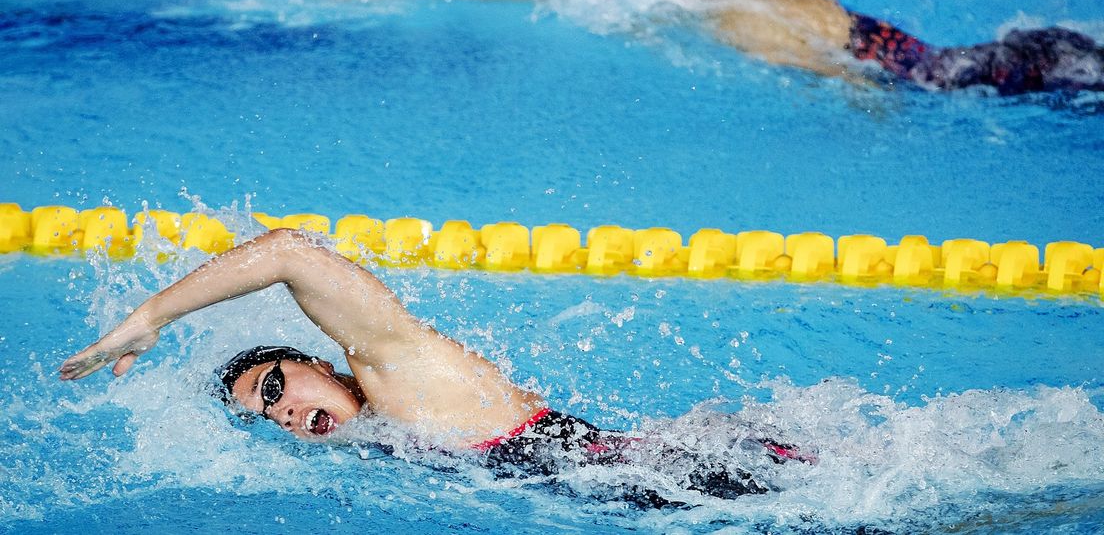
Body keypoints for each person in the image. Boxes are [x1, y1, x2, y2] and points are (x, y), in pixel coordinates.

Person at [59, 228, 810, 506]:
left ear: (323, 361)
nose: (282, 412)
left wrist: (151, 315)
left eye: (278, 385)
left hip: (710, 481)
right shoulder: (382, 438)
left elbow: (290, 252)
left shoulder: (400, 374)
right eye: (267, 414)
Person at [321, 0, 1104, 95]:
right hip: (1015, 47)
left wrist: (861, 110)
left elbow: (851, 81)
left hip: (995, 79)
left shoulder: (737, 26)